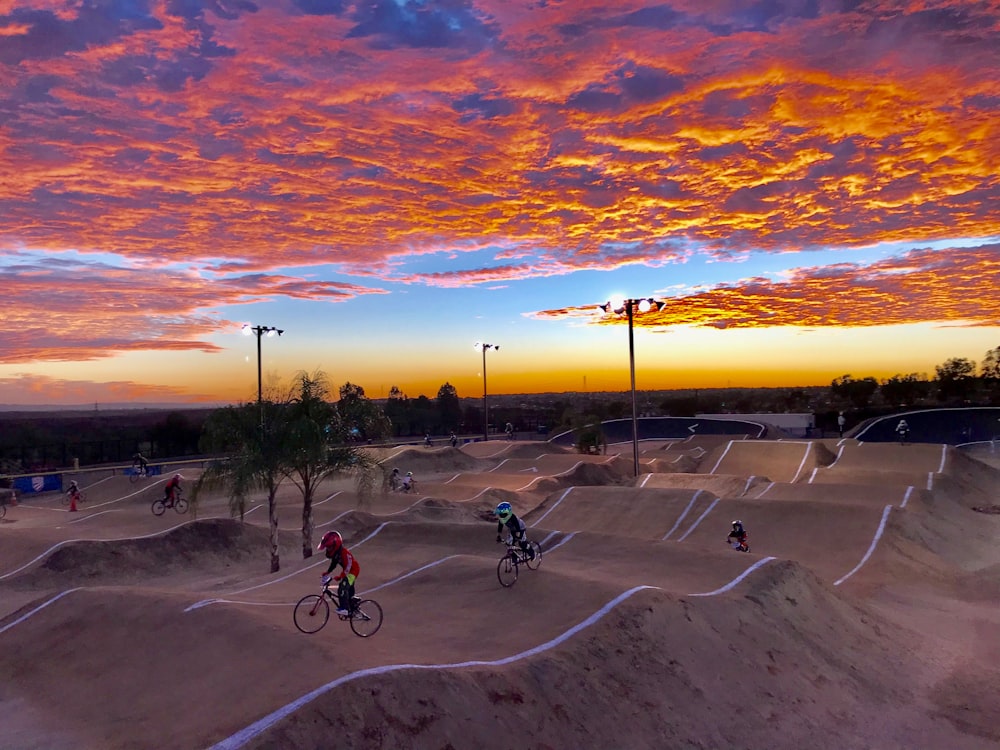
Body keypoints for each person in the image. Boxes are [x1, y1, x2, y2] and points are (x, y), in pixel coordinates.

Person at [318, 530, 360, 616]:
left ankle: (344, 608)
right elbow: (334, 563)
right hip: (348, 571)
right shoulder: (337, 554)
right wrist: (328, 572)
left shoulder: (344, 553)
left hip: (353, 571)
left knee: (342, 587)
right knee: (346, 589)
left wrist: (341, 576)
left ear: (335, 545)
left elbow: (349, 565)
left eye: (329, 547)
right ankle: (350, 605)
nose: (328, 549)